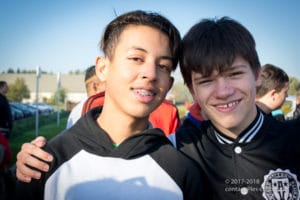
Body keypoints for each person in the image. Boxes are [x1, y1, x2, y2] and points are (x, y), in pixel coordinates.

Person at [14, 10, 205, 200]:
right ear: (103, 69)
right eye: (137, 58)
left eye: (163, 66)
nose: (151, 74)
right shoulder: (43, 163)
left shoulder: (183, 173)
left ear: (169, 85)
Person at [174, 17, 300, 199]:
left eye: (235, 74)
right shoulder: (178, 150)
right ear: (193, 90)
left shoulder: (295, 141)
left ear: (257, 75)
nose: (223, 92)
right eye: (206, 80)